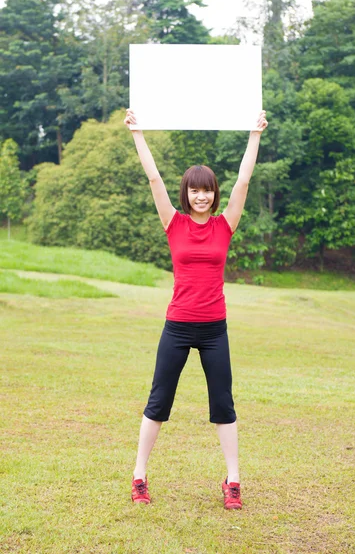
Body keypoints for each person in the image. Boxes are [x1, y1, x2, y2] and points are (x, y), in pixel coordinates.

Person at [124, 108, 268, 510]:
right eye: (193, 189)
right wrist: (138, 133)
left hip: (214, 329)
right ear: (186, 193)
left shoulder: (226, 224)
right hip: (177, 327)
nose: (200, 195)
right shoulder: (173, 223)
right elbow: (154, 178)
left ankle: (233, 481)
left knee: (223, 404)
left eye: (207, 190)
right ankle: (139, 476)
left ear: (213, 194)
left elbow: (244, 180)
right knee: (158, 402)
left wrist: (253, 135)